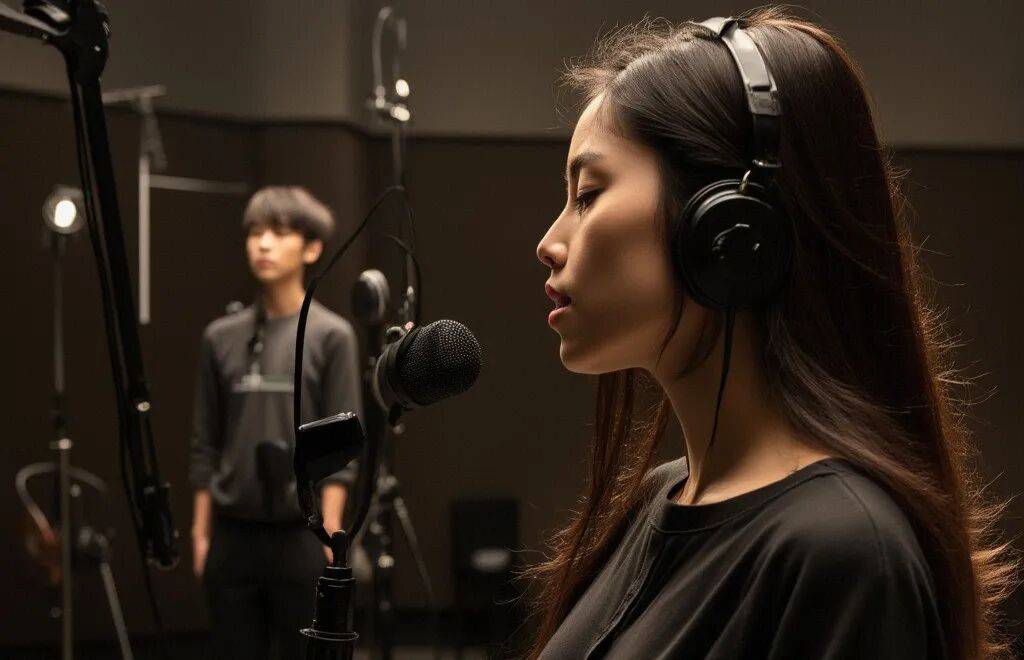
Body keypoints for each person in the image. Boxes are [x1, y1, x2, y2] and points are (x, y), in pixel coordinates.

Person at [531, 9, 1017, 660]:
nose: (549, 243)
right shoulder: (657, 501)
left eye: (589, 194)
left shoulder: (843, 550)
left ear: (729, 228)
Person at [188, 186, 362, 659]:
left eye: (280, 233)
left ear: (311, 248)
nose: (263, 244)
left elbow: (343, 449)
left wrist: (330, 531)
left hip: (301, 534)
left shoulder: (332, 335)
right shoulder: (220, 337)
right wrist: (201, 534)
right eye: (255, 232)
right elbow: (205, 442)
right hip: (232, 534)